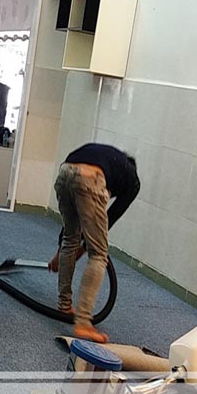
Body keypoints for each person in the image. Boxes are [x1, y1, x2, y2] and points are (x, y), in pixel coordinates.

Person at [48, 143, 140, 343]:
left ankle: (64, 305)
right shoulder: (132, 181)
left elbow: (72, 229)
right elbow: (110, 217)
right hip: (91, 178)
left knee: (70, 239)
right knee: (99, 255)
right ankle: (83, 322)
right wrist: (86, 248)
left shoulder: (106, 157)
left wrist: (60, 252)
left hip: (65, 172)